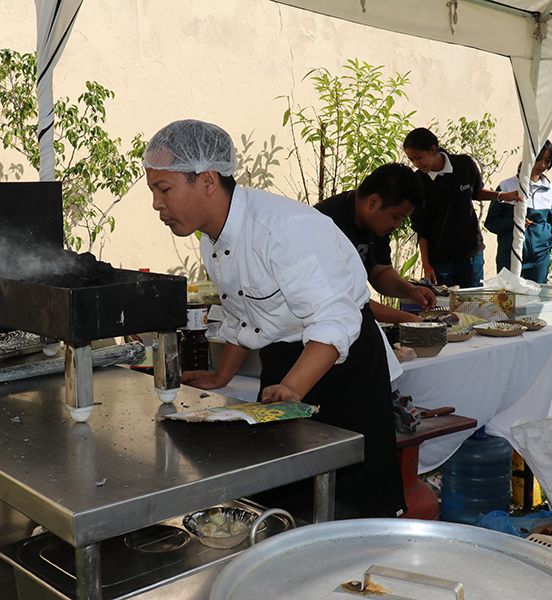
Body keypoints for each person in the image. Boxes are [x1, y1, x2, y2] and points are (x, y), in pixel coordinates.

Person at [144, 119, 404, 519]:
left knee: (349, 506)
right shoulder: (213, 240)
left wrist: (292, 388)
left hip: (342, 368)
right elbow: (244, 313)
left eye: (164, 189)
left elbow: (334, 321)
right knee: (283, 498)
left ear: (208, 180)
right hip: (285, 367)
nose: (157, 205)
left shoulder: (284, 229)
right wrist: (221, 376)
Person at [315, 163, 436, 324]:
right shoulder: (324, 224)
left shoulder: (375, 224)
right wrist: (408, 320)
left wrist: (410, 291)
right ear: (373, 202)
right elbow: (343, 300)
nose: (397, 225)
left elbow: (380, 272)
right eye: (396, 217)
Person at [403, 127, 519, 288]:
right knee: (445, 302)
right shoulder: (418, 182)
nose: (416, 164)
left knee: (473, 300)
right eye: (411, 160)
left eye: (418, 157)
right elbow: (422, 229)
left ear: (433, 149)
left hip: (471, 252)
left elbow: (476, 192)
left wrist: (502, 196)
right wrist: (426, 265)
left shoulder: (464, 164)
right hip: (440, 259)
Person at [484, 141, 552, 283]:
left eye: (548, 161)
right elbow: (491, 223)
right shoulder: (506, 186)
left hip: (540, 256)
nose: (543, 165)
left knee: (536, 294)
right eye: (539, 159)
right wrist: (515, 223)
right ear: (528, 157)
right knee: (508, 295)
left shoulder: (551, 190)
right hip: (510, 255)